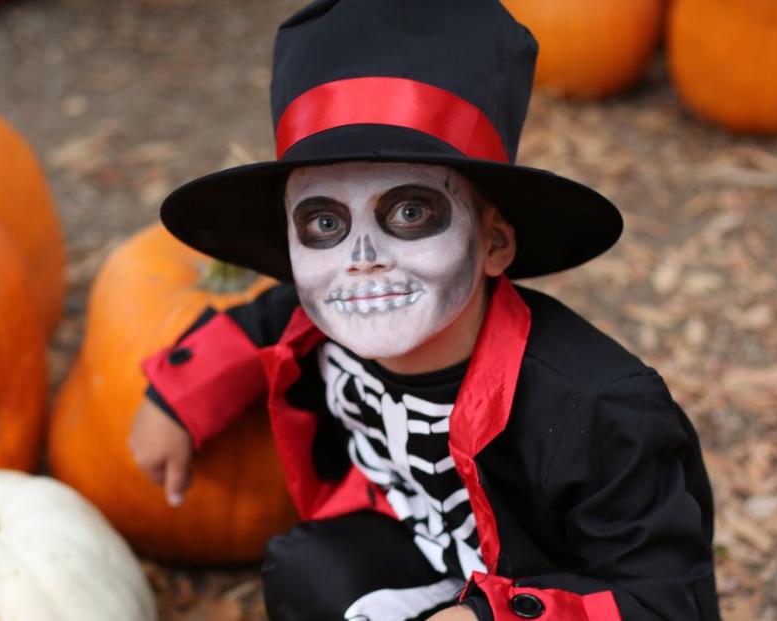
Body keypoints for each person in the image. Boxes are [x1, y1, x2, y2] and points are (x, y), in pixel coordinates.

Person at [128, 1, 720, 619]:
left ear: (494, 242)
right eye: (324, 223)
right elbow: (267, 320)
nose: (361, 258)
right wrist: (177, 393)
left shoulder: (597, 411)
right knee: (309, 571)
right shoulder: (330, 316)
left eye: (409, 213)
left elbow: (668, 601)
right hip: (423, 553)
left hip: (546, 598)